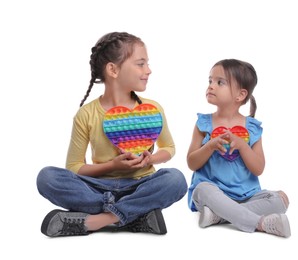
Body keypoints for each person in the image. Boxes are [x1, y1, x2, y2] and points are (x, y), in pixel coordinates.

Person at [36, 32, 188, 237]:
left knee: (175, 180)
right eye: (140, 64)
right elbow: (74, 167)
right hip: (97, 187)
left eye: (147, 64)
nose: (148, 70)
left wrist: (151, 158)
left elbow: (169, 148)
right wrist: (112, 166)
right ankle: (133, 216)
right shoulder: (86, 114)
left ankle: (98, 220)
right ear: (113, 69)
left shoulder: (152, 109)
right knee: (47, 177)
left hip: (140, 185)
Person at [187, 59, 291, 238]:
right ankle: (260, 223)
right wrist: (210, 146)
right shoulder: (203, 123)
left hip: (246, 196)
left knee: (280, 199)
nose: (211, 86)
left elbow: (258, 168)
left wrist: (243, 145)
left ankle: (219, 216)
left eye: (220, 82)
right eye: (210, 80)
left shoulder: (251, 128)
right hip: (212, 194)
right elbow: (192, 163)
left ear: (240, 95)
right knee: (202, 188)